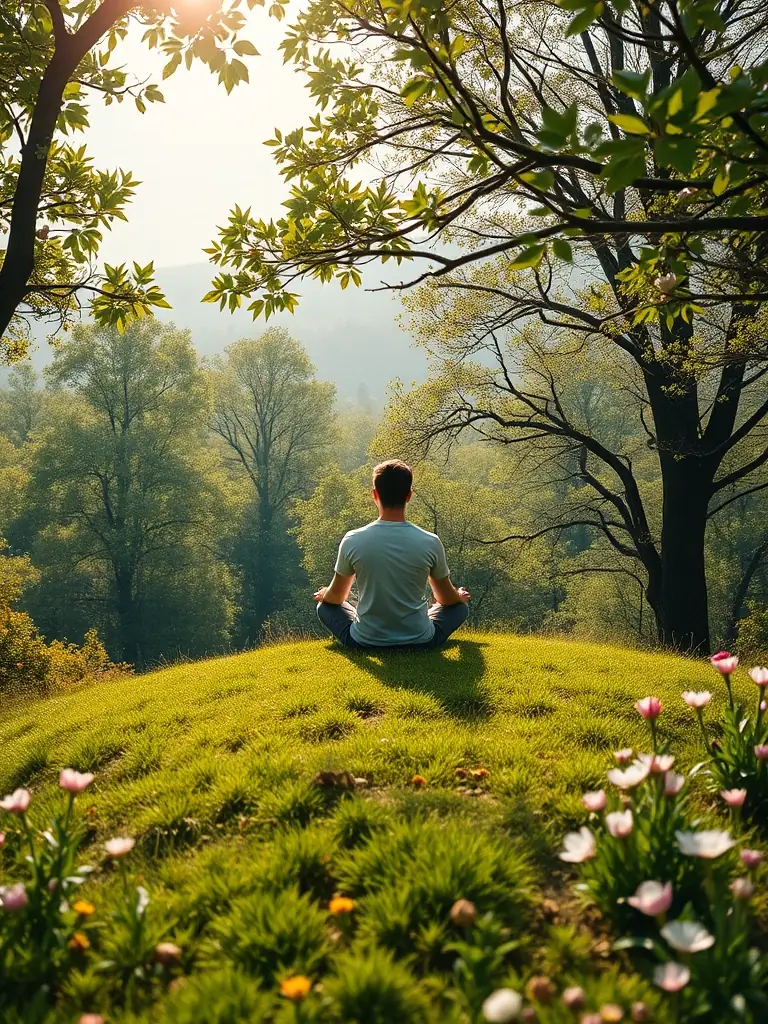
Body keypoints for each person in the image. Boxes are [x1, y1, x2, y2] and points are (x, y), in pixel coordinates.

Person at [314, 459, 470, 650]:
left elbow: (337, 598)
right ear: (409, 495)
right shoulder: (430, 541)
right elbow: (445, 599)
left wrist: (324, 593)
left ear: (375, 494)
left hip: (364, 641)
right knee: (460, 607)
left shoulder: (353, 540)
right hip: (421, 640)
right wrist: (459, 596)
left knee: (325, 607)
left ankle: (368, 627)